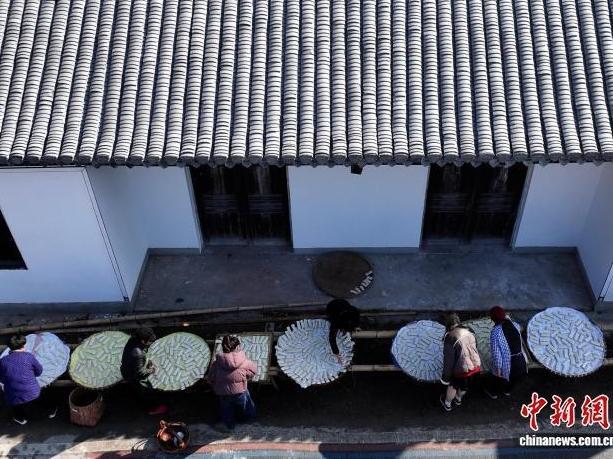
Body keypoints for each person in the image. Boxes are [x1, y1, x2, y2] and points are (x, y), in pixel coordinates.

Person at [0, 335, 57, 425]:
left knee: (14, 400)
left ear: (9, 348)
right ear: (23, 346)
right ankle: (50, 412)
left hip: (13, 394)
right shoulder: (29, 357)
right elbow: (39, 371)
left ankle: (20, 418)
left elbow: (2, 378)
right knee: (41, 393)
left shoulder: (3, 360)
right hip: (32, 392)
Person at [207, 335, 257, 430]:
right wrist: (246, 376)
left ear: (223, 347)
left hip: (223, 392)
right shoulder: (245, 361)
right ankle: (247, 420)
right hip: (240, 391)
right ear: (238, 347)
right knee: (246, 406)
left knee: (226, 409)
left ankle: (229, 425)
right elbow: (253, 370)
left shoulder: (217, 363)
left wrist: (215, 383)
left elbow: (211, 378)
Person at [120, 327, 167, 415]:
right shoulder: (137, 353)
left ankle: (136, 398)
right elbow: (140, 373)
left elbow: (141, 353)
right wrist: (151, 370)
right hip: (131, 374)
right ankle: (151, 408)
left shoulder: (133, 340)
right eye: (150, 341)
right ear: (142, 341)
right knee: (146, 389)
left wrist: (146, 359)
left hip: (126, 367)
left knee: (135, 390)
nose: (151, 343)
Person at [440, 313, 481, 412]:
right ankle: (458, 399)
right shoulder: (470, 330)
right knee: (464, 386)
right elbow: (475, 346)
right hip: (475, 366)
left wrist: (445, 378)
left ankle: (448, 404)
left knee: (453, 386)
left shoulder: (450, 336)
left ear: (448, 325)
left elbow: (449, 360)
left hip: (461, 369)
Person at [485, 306, 528, 399]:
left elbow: (496, 353)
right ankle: (507, 391)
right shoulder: (515, 325)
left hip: (509, 362)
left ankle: (493, 393)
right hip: (521, 360)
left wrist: (498, 368)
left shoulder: (496, 332)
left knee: (499, 378)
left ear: (493, 319)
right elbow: (520, 330)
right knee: (515, 378)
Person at [326, 299, 360, 364]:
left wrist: (354, 327)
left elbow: (356, 322)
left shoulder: (354, 314)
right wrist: (337, 354)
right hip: (331, 307)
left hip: (343, 304)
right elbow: (332, 338)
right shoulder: (336, 322)